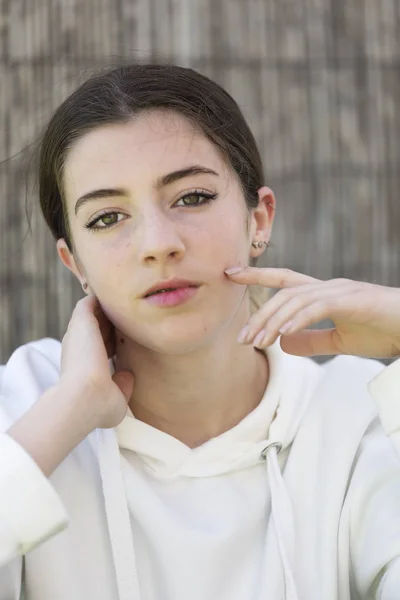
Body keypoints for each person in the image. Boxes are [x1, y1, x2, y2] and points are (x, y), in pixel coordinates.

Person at [1, 63, 400, 600]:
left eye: (191, 197)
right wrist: (70, 410)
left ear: (258, 220)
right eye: (107, 218)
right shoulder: (23, 410)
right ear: (75, 264)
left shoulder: (356, 418)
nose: (158, 243)